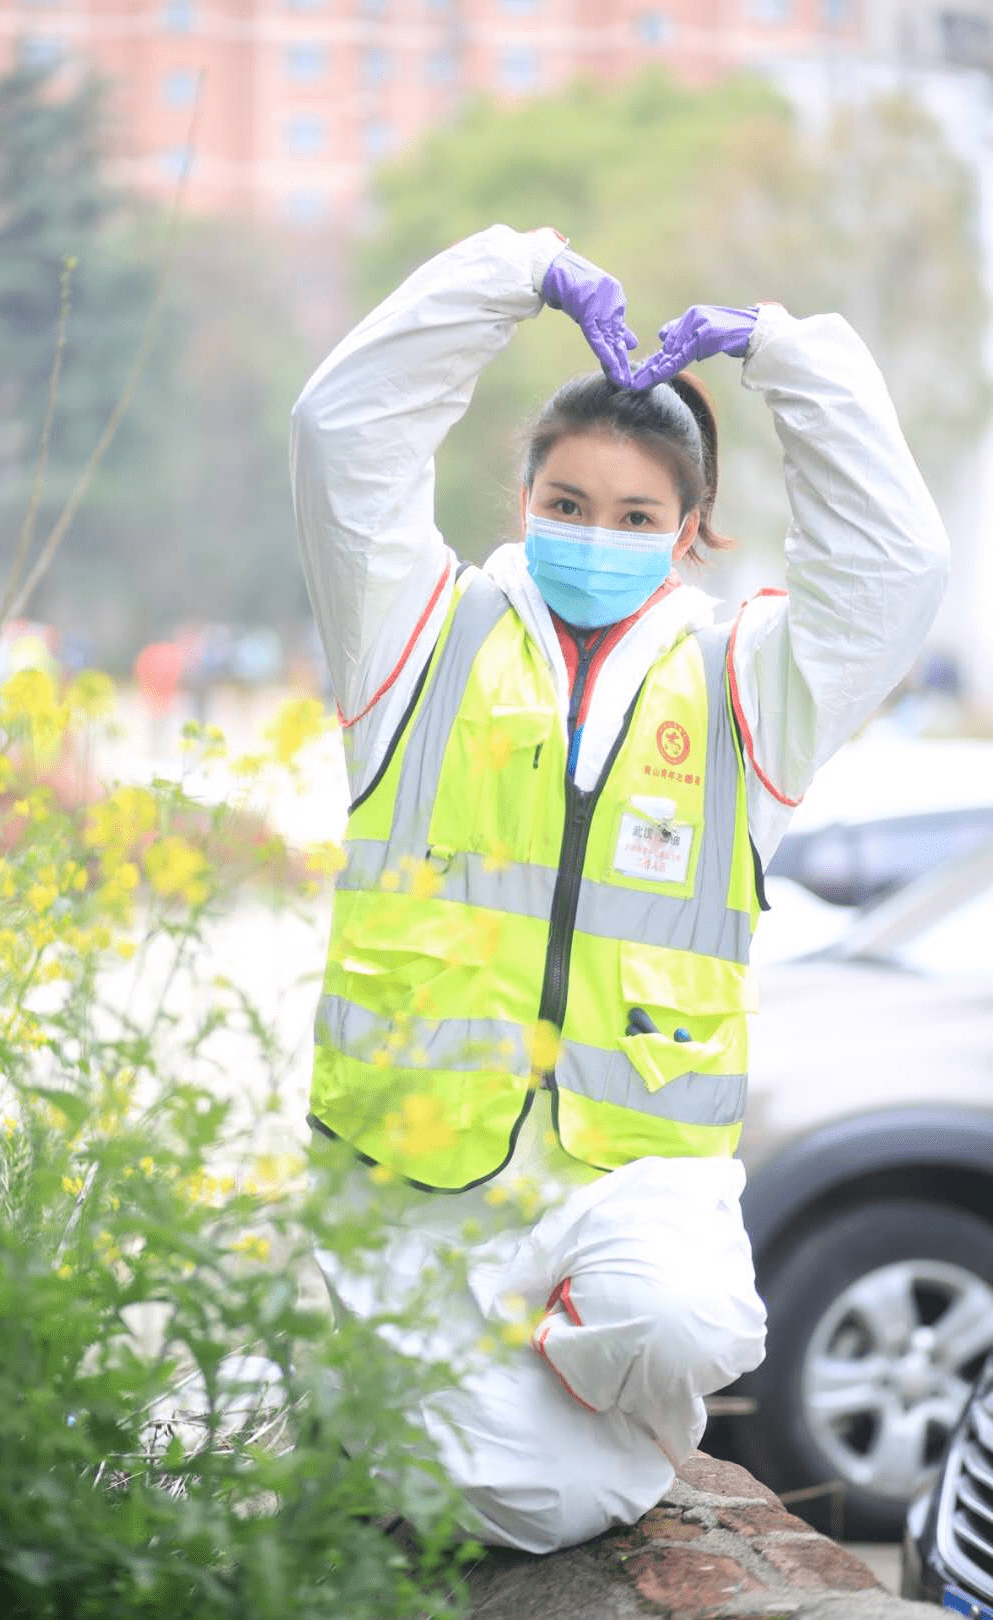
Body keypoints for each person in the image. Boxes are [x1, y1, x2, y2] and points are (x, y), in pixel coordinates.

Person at [289, 226, 949, 1554]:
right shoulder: (410, 643)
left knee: (685, 1330)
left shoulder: (750, 691)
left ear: (691, 535)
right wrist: (511, 273)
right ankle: (457, 1396)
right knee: (542, 1492)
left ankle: (525, 1373)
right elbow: (339, 429)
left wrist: (787, 354)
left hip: (632, 1178)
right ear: (522, 505)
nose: (596, 535)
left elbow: (894, 571)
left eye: (638, 515)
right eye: (568, 506)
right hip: (410, 1181)